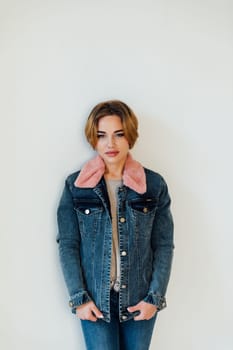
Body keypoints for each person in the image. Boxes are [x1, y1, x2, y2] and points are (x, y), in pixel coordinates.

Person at [56, 100, 174, 350]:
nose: (110, 144)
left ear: (130, 136)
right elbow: (68, 245)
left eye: (118, 134)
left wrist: (154, 297)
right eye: (102, 136)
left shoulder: (153, 185)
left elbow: (163, 245)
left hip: (138, 299)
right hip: (96, 301)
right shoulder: (75, 187)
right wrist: (79, 299)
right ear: (93, 139)